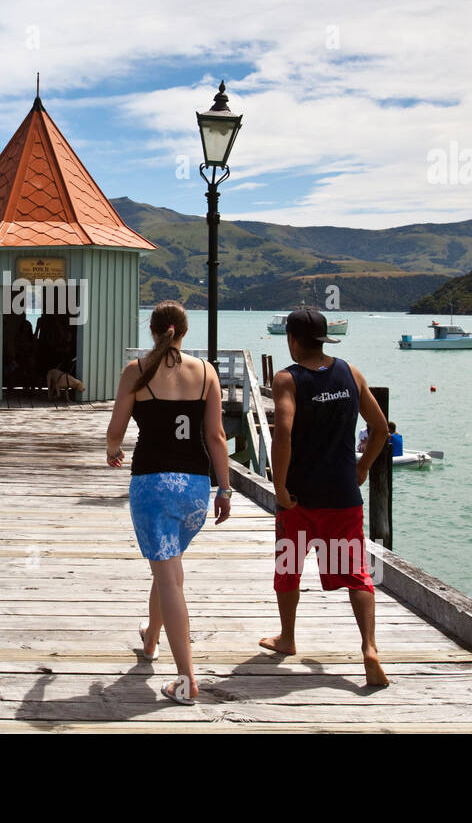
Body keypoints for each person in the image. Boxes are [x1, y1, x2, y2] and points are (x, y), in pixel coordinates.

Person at [106, 300, 231, 705]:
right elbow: (216, 437)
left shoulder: (136, 371)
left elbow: (116, 429)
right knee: (169, 568)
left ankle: (186, 680)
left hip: (153, 487)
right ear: (184, 330)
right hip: (195, 488)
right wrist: (225, 488)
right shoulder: (207, 372)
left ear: (154, 331)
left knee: (169, 577)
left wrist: (112, 450)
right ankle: (151, 640)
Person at [260, 307, 391, 687]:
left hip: (300, 498)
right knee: (357, 575)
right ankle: (369, 648)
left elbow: (282, 435)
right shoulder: (351, 373)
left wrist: (280, 489)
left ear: (293, 340)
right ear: (324, 339)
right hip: (342, 496)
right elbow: (379, 428)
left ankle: (286, 638)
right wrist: (363, 466)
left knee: (289, 568)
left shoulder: (288, 379)